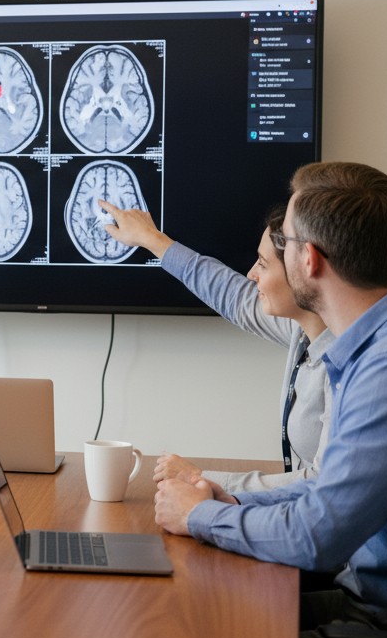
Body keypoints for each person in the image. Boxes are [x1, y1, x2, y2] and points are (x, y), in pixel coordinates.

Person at [151, 162, 387, 638]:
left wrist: (201, 516)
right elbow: (332, 489)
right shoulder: (385, 343)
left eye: (282, 243)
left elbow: (318, 535)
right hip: (372, 599)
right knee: (188, 610)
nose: (272, 257)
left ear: (309, 260)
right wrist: (232, 503)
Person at [98, 201, 332, 493]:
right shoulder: (305, 330)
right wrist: (152, 239)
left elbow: (324, 485)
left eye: (262, 263)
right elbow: (231, 294)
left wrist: (201, 478)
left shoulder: (346, 361)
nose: (251, 275)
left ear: (304, 268)